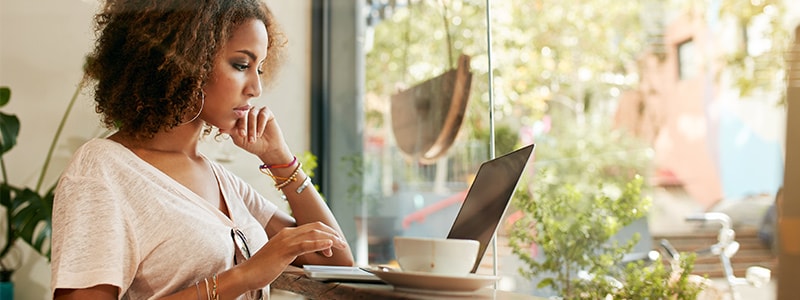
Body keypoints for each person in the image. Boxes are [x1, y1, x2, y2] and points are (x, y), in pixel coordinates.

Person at [50, 0, 354, 299]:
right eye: (241, 65)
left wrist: (280, 160)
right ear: (186, 61)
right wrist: (245, 276)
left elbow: (334, 259)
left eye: (259, 69)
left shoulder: (222, 180)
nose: (256, 89)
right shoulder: (103, 171)